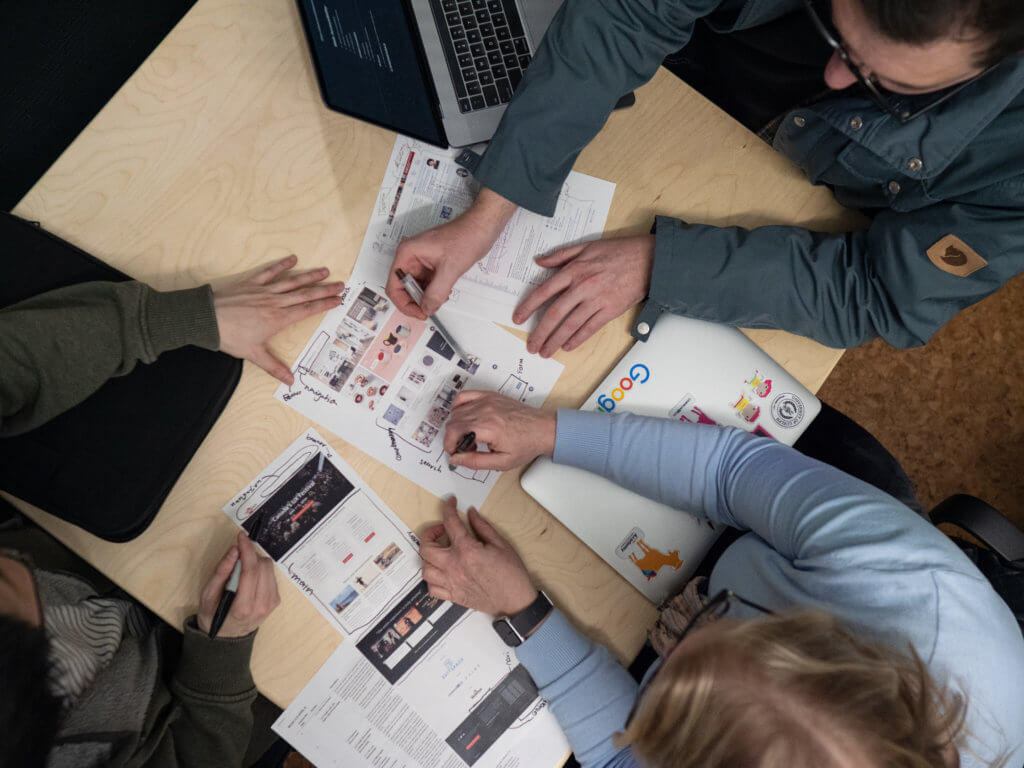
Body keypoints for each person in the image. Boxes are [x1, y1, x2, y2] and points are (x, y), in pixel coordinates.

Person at [418, 391, 1024, 767]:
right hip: (831, 532)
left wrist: (527, 614)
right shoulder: (905, 582)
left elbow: (621, 758)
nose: (676, 636)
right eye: (731, 621)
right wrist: (550, 432)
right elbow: (730, 471)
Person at [387, 0, 1024, 357]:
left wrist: (666, 263)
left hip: (770, 190)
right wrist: (490, 210)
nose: (835, 76)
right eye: (835, 24)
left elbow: (880, 293)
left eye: (886, 86)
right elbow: (628, 15)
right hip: (677, 72)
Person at [0, 254, 341, 765]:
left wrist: (177, 319)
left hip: (96, 547)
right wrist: (222, 659)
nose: (19, 566)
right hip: (192, 681)